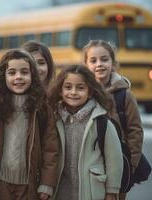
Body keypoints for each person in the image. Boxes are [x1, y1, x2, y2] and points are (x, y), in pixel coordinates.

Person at [0, 49, 59, 200]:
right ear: (3, 77)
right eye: (12, 73)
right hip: (1, 181)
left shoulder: (42, 109)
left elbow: (50, 149)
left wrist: (47, 182)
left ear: (33, 76)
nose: (18, 77)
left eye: (24, 72)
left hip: (29, 183)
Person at [48, 65, 123, 200]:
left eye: (80, 88)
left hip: (92, 191)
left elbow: (114, 159)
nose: (74, 92)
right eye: (68, 87)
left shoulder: (101, 122)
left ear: (90, 92)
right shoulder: (55, 119)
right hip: (61, 192)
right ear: (60, 91)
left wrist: (112, 191)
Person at [83, 39, 144, 200]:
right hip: (88, 166)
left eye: (104, 59)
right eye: (93, 60)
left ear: (113, 62)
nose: (99, 64)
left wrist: (131, 164)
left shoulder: (124, 96)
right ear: (86, 64)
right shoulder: (82, 94)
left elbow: (135, 131)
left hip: (117, 166)